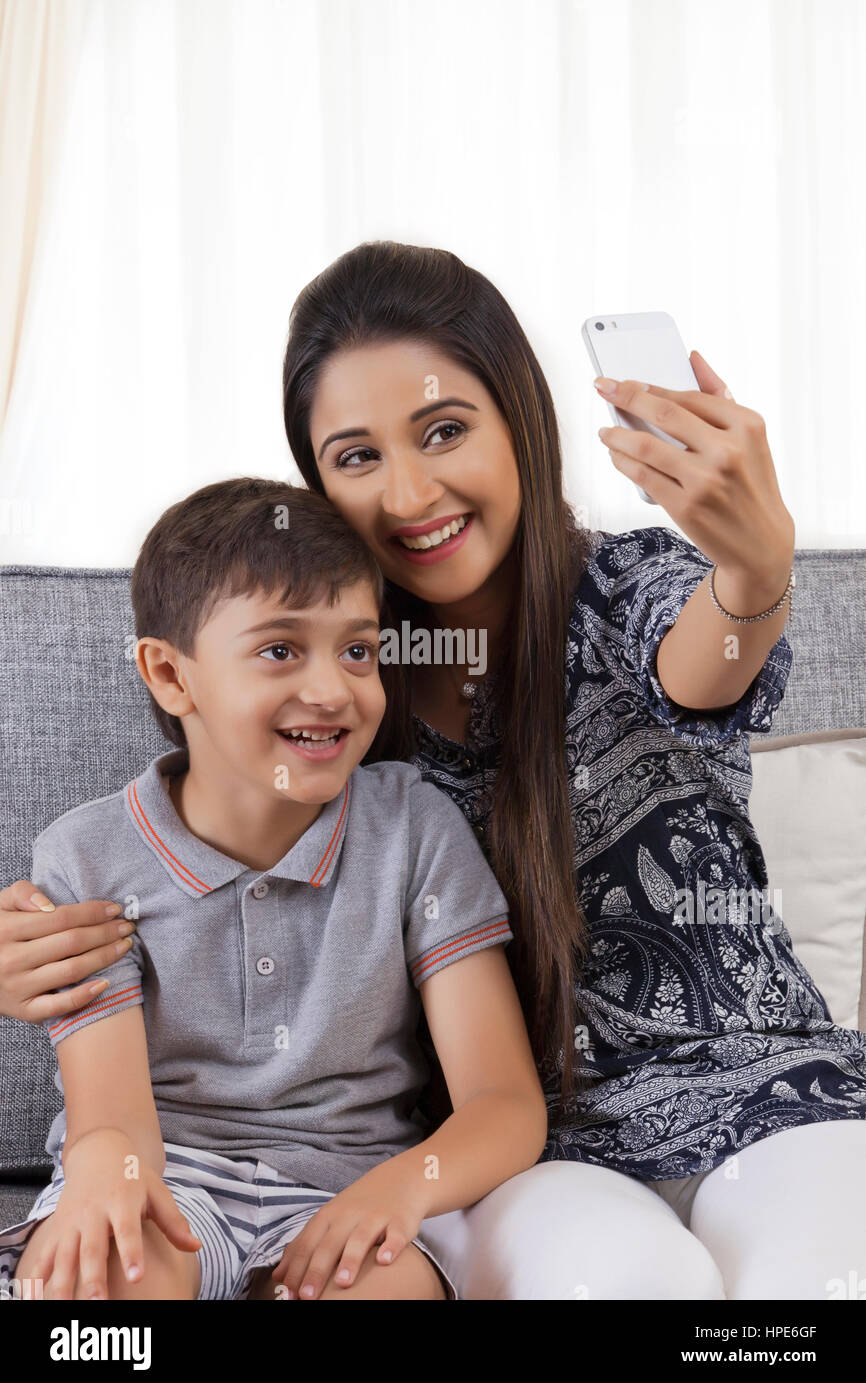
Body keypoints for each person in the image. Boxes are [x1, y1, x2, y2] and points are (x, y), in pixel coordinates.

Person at [3, 241, 866, 1298]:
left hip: (764, 1095)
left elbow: (708, 664)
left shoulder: (631, 591)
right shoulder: (335, 711)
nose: (409, 491)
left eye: (444, 430)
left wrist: (752, 568)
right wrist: (48, 952)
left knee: (814, 1296)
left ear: (520, 423)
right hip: (533, 1156)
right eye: (355, 457)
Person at [0, 478, 548, 1301]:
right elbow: (112, 1116)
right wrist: (103, 1181)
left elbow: (503, 1102)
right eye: (281, 649)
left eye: (357, 651)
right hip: (162, 1175)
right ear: (170, 675)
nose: (332, 690)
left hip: (351, 1189)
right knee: (103, 1275)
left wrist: (403, 1187)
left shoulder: (413, 828)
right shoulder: (88, 855)